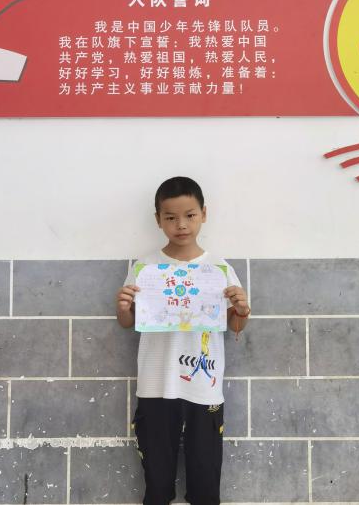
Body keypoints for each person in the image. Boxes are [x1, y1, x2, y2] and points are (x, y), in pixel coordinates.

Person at [116, 176, 250, 505]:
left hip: (203, 387)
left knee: (206, 484)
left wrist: (242, 310)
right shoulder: (145, 268)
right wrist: (123, 307)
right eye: (171, 217)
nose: (181, 225)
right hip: (156, 386)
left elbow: (234, 325)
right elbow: (129, 322)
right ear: (158, 219)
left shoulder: (219, 269)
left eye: (189, 215)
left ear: (204, 214)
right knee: (157, 484)